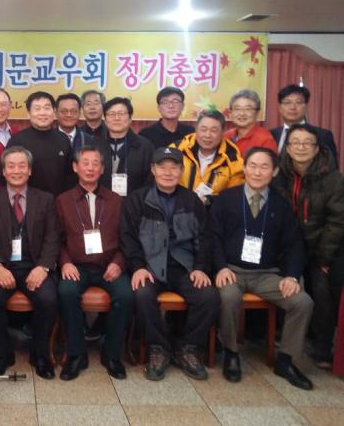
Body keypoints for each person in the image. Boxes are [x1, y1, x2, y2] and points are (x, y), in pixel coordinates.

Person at [211, 147, 314, 389]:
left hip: (267, 274)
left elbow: (294, 245)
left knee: (303, 302)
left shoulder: (281, 204)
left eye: (264, 167)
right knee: (229, 297)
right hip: (232, 271)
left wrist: (291, 276)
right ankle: (231, 353)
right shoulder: (226, 199)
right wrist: (220, 267)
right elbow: (212, 237)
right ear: (244, 168)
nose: (257, 172)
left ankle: (286, 360)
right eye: (253, 166)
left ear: (274, 171)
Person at [121, 147, 220, 381]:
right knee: (142, 294)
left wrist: (200, 268)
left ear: (181, 171)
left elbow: (204, 238)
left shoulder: (191, 200)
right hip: (150, 266)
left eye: (174, 167)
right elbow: (128, 237)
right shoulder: (137, 199)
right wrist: (138, 267)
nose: (168, 172)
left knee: (209, 297)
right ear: (153, 170)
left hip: (183, 266)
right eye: (162, 167)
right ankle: (158, 349)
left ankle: (188, 348)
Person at [0, 146, 60, 379]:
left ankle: (40, 354)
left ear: (30, 170)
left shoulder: (45, 199)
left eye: (22, 166)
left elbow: (53, 237)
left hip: (34, 265)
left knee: (48, 298)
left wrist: (43, 267)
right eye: (11, 166)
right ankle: (1, 354)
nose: (16, 171)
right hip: (1, 266)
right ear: (3, 171)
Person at [56, 145, 133, 381]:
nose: (90, 168)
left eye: (95, 163)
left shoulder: (116, 200)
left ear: (102, 169)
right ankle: (76, 354)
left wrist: (118, 263)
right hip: (77, 266)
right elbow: (56, 239)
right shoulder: (63, 200)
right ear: (75, 167)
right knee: (66, 292)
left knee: (126, 296)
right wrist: (65, 263)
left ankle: (112, 355)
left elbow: (127, 238)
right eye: (85, 163)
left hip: (109, 265)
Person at [272, 124, 344, 369]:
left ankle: (323, 347)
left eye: (307, 143)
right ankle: (281, 336)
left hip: (321, 247)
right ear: (287, 147)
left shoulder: (333, 179)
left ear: (316, 149)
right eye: (295, 142)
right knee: (282, 287)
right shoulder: (279, 176)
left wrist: (324, 257)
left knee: (322, 293)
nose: (301, 147)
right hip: (288, 246)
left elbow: (337, 221)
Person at [7, 91, 75, 196]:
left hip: (58, 201)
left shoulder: (63, 139)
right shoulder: (17, 141)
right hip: (28, 201)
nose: (42, 113)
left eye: (47, 108)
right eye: (37, 109)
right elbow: (7, 174)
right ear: (28, 113)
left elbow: (70, 175)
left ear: (54, 112)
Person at [173, 109, 244, 205]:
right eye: (203, 129)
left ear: (222, 132)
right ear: (196, 129)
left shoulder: (233, 158)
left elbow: (234, 196)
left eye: (214, 130)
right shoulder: (177, 149)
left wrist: (209, 201)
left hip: (214, 210)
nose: (207, 135)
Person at [99, 97, 154, 197]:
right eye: (111, 114)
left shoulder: (145, 146)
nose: (116, 118)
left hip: (135, 203)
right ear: (105, 120)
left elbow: (150, 181)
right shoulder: (95, 145)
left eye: (121, 113)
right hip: (100, 202)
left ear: (130, 118)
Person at [271, 84, 338, 163]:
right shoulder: (271, 135)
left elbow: (331, 166)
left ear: (306, 107)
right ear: (280, 108)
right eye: (287, 102)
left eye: (298, 102)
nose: (292, 107)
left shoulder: (323, 135)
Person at [224, 89, 278, 155]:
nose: (242, 113)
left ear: (257, 113)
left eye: (248, 109)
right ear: (230, 113)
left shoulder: (265, 140)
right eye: (237, 109)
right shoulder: (226, 136)